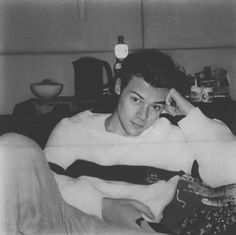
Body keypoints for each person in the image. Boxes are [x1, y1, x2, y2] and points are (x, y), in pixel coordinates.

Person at [1, 49, 236, 234]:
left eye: (156, 106)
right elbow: (43, 186)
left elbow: (231, 171)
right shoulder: (73, 129)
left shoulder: (175, 138)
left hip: (137, 230)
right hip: (71, 225)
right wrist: (103, 206)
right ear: (117, 88)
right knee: (12, 146)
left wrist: (190, 114)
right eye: (136, 99)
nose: (143, 116)